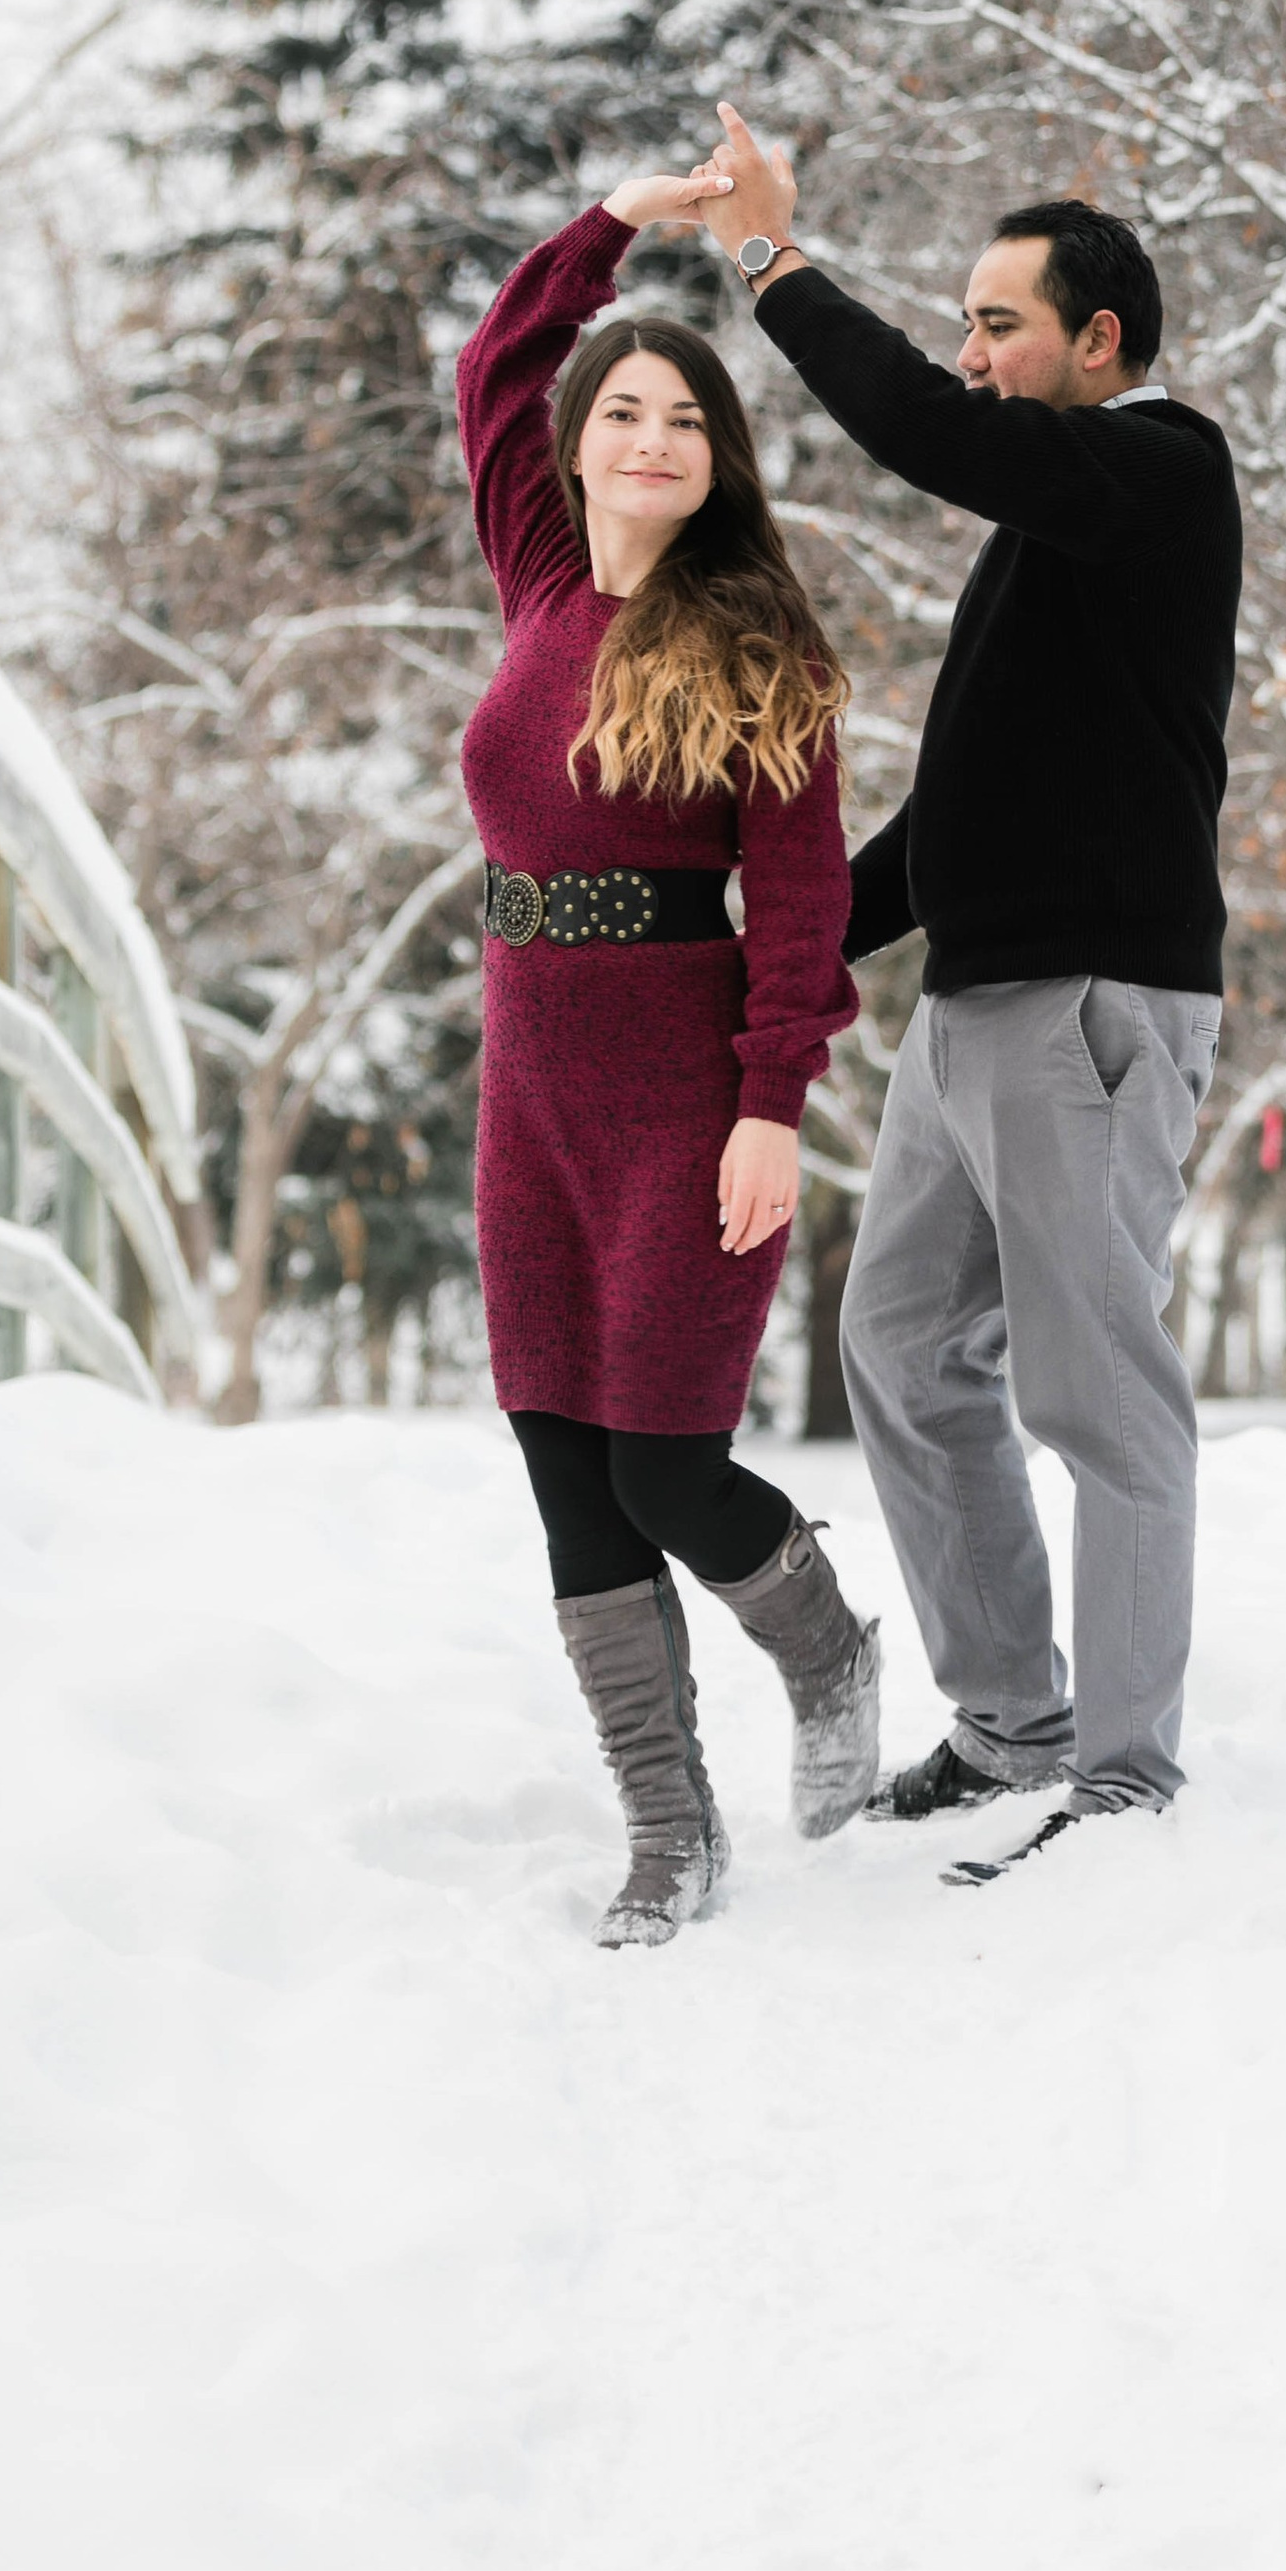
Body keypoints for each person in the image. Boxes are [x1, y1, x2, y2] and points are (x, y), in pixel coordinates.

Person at [697, 105, 1241, 1885]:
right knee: (905, 1351)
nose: (973, 353)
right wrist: (784, 943)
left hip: (1092, 1007)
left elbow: (927, 427)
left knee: (1098, 1395)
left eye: (1000, 323)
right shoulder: (1055, 528)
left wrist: (772, 259)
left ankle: (1127, 1780)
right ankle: (1015, 1721)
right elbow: (964, 813)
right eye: (967, 324)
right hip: (974, 1008)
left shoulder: (1162, 469)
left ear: (1101, 339)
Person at [456, 171, 882, 1947]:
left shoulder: (757, 643)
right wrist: (613, 222)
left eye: (685, 420)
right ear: (579, 446)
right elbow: (498, 362)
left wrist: (772, 1108)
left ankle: (829, 1651)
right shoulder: (541, 580)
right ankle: (668, 1826)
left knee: (664, 1468)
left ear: (720, 459)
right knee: (564, 1462)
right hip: (530, 1097)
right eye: (623, 412)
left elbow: (802, 904)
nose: (651, 439)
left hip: (687, 1101)